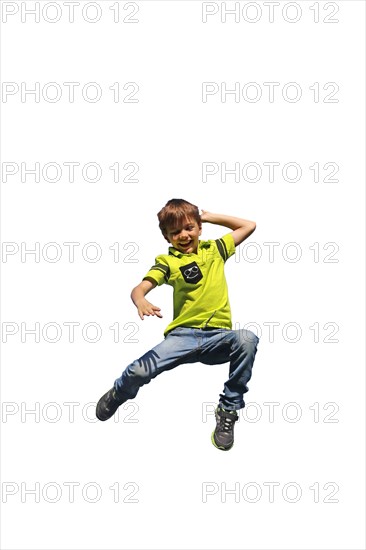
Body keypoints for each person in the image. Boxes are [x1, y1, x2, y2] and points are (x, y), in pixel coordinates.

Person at [96, 198, 259, 451]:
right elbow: (141, 287)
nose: (183, 235)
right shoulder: (168, 262)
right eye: (175, 232)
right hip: (182, 337)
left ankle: (227, 410)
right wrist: (140, 300)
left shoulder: (214, 250)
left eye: (189, 228)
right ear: (167, 237)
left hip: (218, 338)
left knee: (247, 338)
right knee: (139, 371)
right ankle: (119, 392)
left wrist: (207, 216)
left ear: (199, 229)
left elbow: (249, 225)